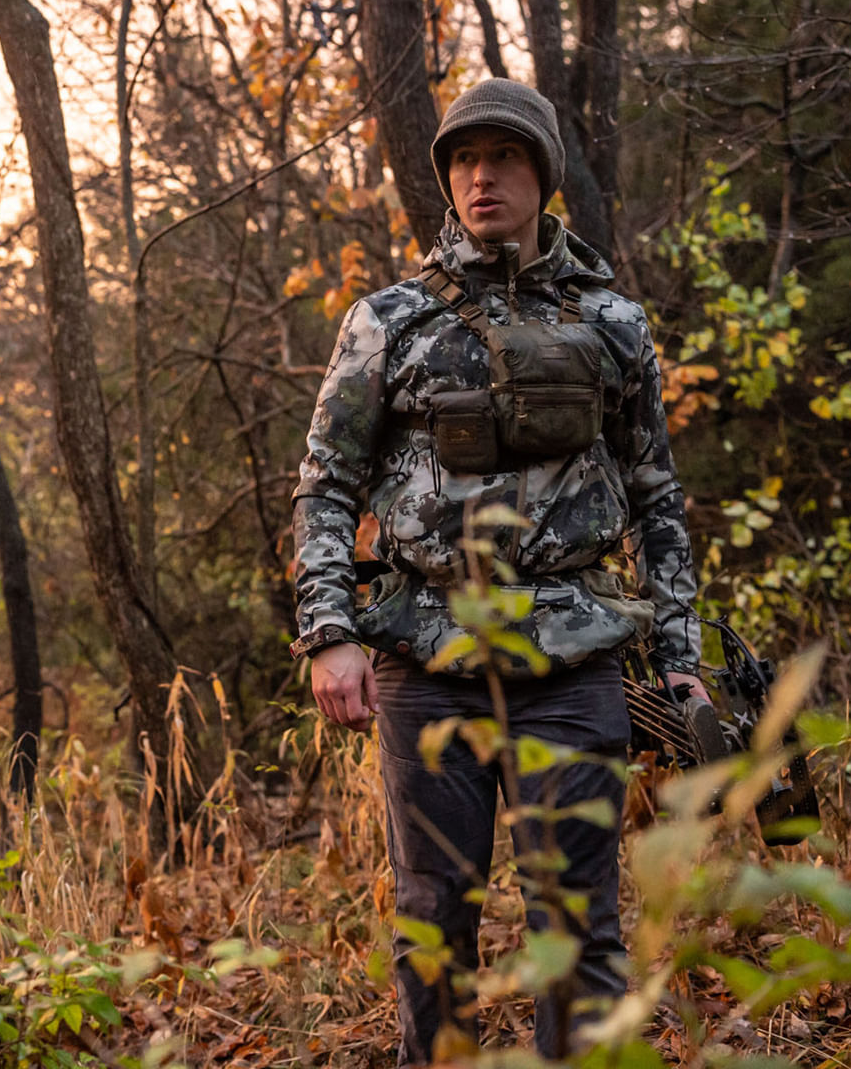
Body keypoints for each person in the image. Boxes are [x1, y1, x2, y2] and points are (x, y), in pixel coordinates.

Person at [290, 79, 703, 1064]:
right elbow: (326, 485)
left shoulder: (612, 322)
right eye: (466, 159)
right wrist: (330, 632)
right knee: (434, 920)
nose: (482, 176)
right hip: (427, 662)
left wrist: (681, 659)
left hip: (573, 663)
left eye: (505, 156)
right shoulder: (388, 320)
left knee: (580, 927)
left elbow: (657, 500)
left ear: (544, 176)